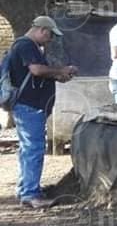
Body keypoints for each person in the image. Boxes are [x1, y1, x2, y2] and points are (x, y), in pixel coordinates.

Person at [8, 16, 78, 208]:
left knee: (27, 149)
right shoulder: (26, 46)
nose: (51, 40)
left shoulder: (28, 47)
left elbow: (37, 75)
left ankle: (26, 189)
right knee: (34, 149)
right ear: (43, 30)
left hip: (29, 106)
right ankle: (31, 194)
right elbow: (37, 70)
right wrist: (60, 69)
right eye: (50, 36)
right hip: (29, 106)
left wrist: (59, 75)